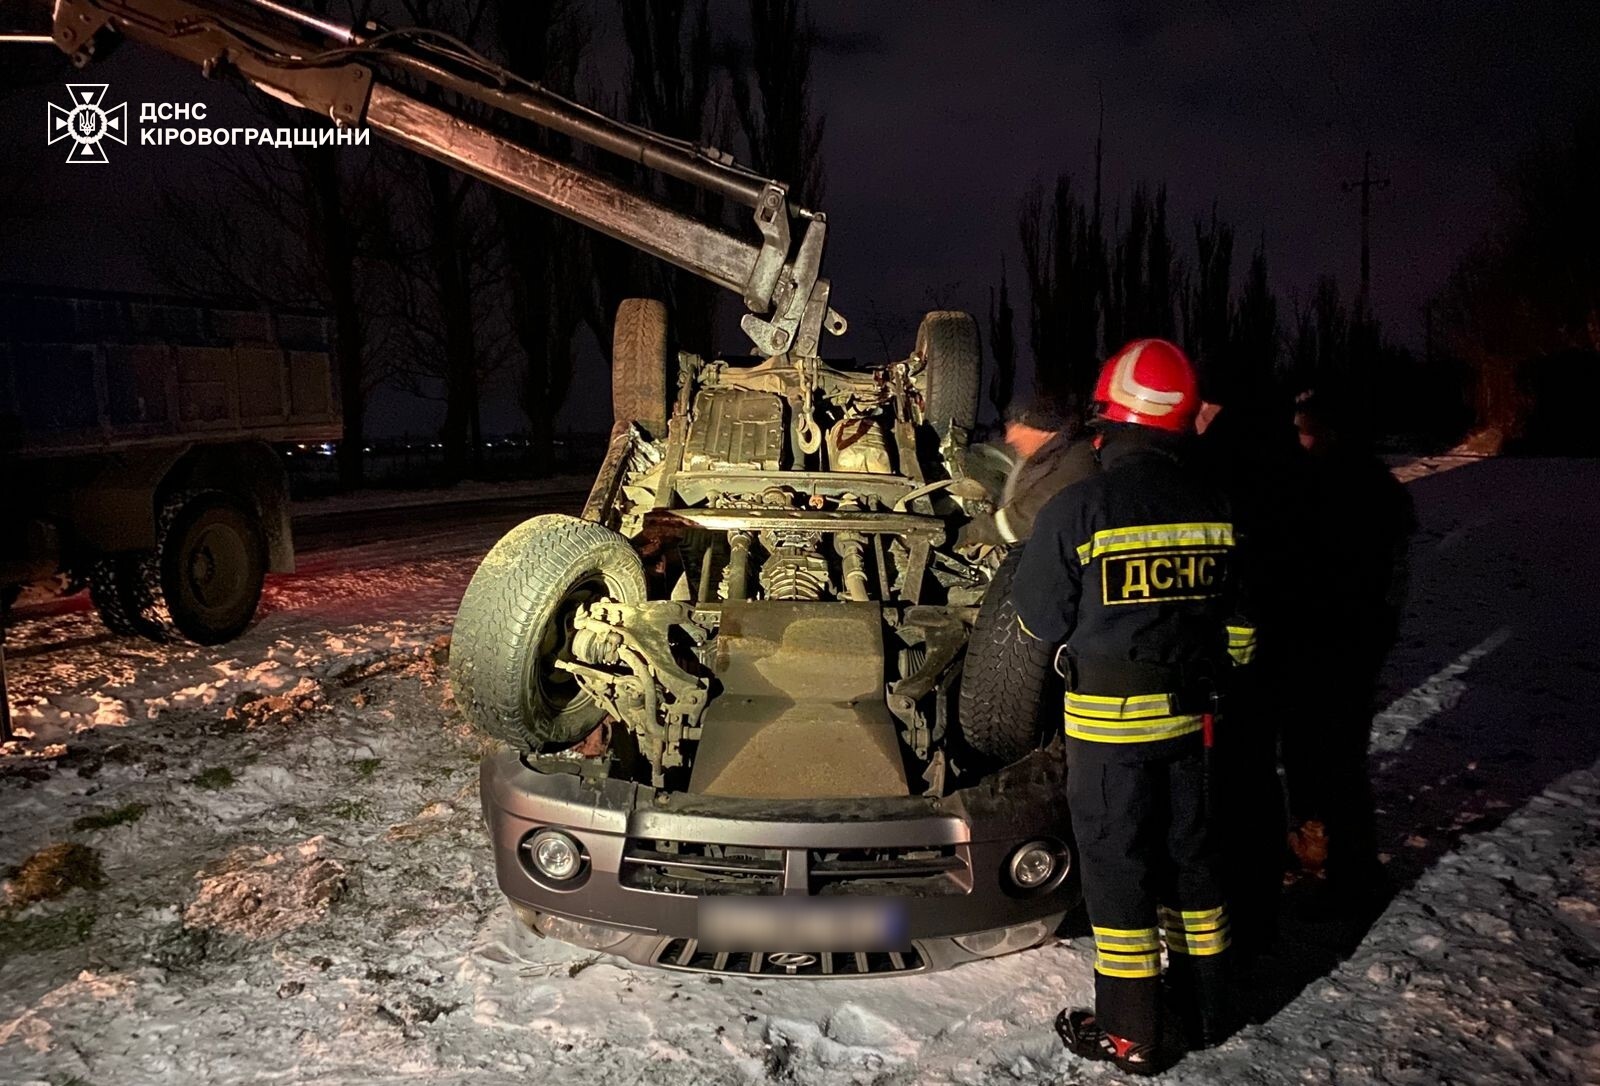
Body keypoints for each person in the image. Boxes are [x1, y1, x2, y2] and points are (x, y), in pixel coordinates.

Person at [1015, 339, 1251, 1075]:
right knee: (1192, 862)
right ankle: (1211, 1006)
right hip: (1192, 722)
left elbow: (1039, 621)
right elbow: (1241, 627)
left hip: (1109, 732)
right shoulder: (1218, 505)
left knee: (1119, 874)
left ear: (1107, 422)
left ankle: (1133, 1032)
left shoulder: (1078, 508)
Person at [1192, 370, 1318, 957]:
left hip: (1244, 650)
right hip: (1289, 639)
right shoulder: (1290, 461)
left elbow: (1231, 564)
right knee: (1261, 775)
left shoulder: (1227, 464)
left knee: (1235, 782)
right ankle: (1262, 902)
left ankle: (1242, 913)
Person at [1284, 387, 1415, 907]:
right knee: (1340, 758)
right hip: (1358, 641)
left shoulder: (1327, 488)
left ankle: (1342, 869)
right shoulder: (1379, 487)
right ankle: (1333, 857)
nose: (1297, 439)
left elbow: (1317, 571)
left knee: (1324, 760)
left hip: (1328, 644)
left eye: (1302, 429)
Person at [994, 395, 1099, 543]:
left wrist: (969, 532)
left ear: (1045, 432)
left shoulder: (1075, 467)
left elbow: (1025, 521)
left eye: (1020, 428)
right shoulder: (1039, 451)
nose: (1010, 437)